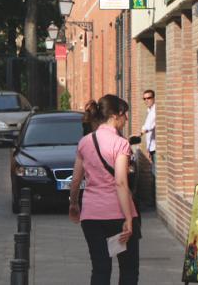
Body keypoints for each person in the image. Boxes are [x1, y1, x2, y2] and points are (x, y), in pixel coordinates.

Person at [68, 95, 140, 285]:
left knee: (100, 269)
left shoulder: (85, 142)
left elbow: (76, 180)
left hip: (91, 216)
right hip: (118, 215)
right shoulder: (121, 144)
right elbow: (121, 183)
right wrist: (128, 219)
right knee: (128, 270)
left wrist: (74, 204)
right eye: (125, 115)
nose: (126, 120)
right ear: (116, 115)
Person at [140, 89, 156, 176]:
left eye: (149, 98)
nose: (146, 100)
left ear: (154, 98)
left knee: (155, 174)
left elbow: (148, 127)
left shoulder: (154, 111)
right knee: (153, 173)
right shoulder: (149, 110)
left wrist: (139, 135)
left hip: (156, 148)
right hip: (152, 148)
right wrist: (148, 149)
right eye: (144, 99)